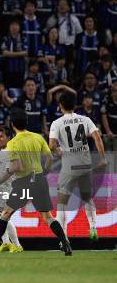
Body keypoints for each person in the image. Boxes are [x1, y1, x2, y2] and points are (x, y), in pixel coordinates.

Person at [0, 108, 71, 256]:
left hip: (24, 182)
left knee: (5, 214)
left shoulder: (13, 143)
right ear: (27, 122)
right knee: (48, 216)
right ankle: (66, 245)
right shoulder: (37, 137)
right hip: (39, 180)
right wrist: (46, 170)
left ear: (12, 125)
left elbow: (16, 166)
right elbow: (50, 157)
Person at [48, 91, 106, 243]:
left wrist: (60, 152)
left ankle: (64, 237)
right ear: (75, 105)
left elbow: (52, 145)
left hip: (69, 167)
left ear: (60, 106)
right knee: (87, 198)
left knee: (62, 202)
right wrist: (102, 158)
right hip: (85, 165)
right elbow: (97, 138)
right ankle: (93, 227)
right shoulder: (85, 119)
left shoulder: (57, 123)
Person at [0, 126, 23, 253]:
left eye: (1, 136)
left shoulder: (11, 150)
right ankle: (6, 242)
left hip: (9, 188)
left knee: (3, 217)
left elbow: (18, 167)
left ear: (9, 137)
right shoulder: (2, 151)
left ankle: (17, 245)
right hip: (1, 188)